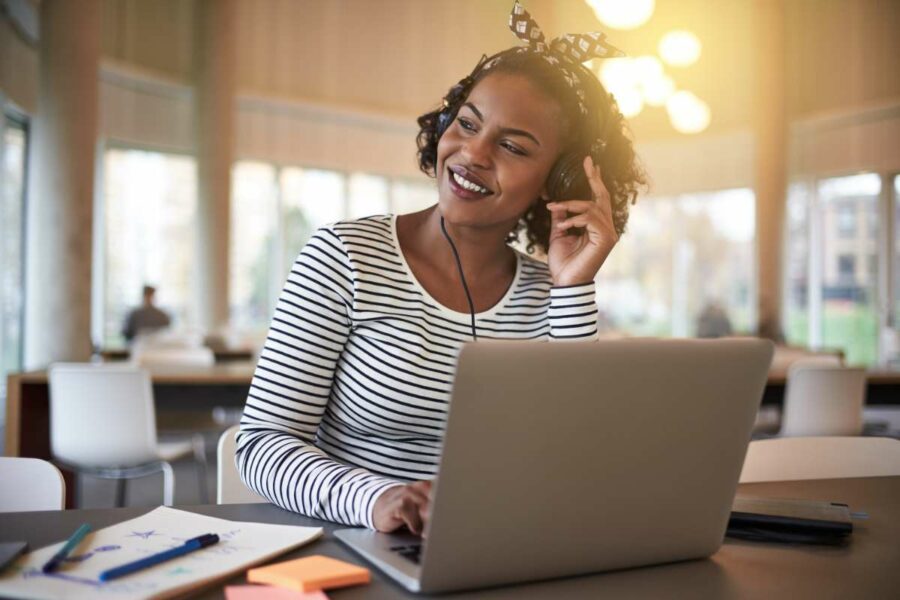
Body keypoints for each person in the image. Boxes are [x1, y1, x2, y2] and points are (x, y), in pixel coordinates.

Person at [236, 2, 645, 535]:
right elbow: (262, 445)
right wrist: (380, 499)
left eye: (512, 146)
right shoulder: (345, 255)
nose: (472, 153)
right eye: (468, 123)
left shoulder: (554, 296)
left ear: (558, 182)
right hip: (362, 540)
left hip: (502, 542)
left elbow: (576, 457)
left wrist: (572, 287)